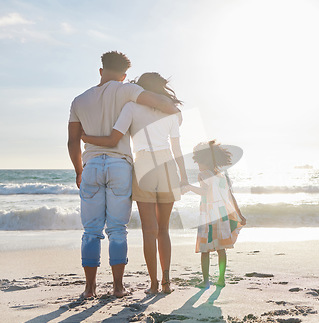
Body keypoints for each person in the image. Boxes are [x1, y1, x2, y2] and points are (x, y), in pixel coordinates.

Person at [67, 51, 181, 298]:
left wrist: (79, 168)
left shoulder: (81, 101)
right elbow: (167, 115)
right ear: (124, 76)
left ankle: (91, 289)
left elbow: (79, 141)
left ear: (101, 70)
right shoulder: (129, 92)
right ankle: (130, 286)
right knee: (127, 229)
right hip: (139, 166)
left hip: (104, 165)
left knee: (92, 230)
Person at [182, 140, 246, 288]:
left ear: (203, 161)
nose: (197, 165)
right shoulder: (222, 176)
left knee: (205, 250)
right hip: (222, 214)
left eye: (197, 161)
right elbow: (231, 196)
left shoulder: (203, 174)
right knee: (221, 249)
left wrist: (189, 187)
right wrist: (240, 215)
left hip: (208, 215)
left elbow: (205, 192)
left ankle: (205, 282)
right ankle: (221, 279)